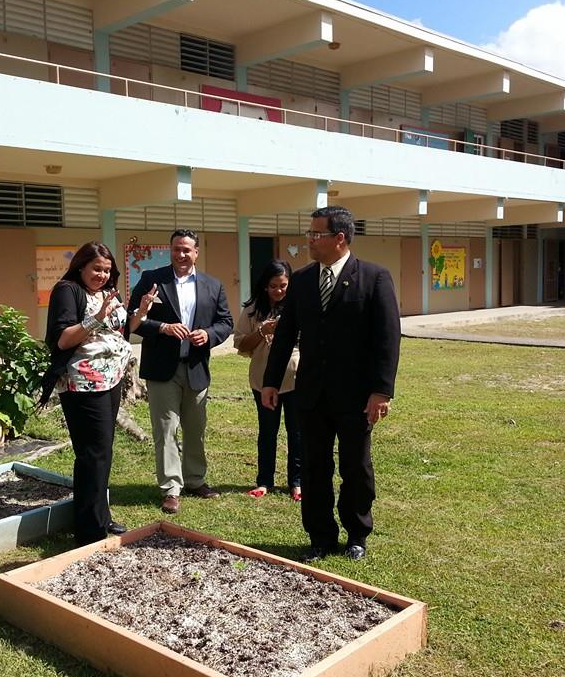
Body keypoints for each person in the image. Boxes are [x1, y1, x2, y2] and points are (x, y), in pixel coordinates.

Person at [262, 207, 400, 562]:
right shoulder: (304, 280)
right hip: (311, 393)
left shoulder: (375, 278)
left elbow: (387, 339)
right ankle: (320, 536)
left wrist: (381, 391)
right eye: (308, 233)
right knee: (314, 466)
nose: (309, 239)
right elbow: (285, 335)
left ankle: (357, 533)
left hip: (355, 395)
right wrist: (271, 382)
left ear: (339, 238)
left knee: (356, 467)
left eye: (316, 234)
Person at [127, 228, 234, 514]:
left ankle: (195, 480)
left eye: (187, 249)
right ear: (170, 251)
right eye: (176, 249)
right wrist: (162, 328)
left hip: (196, 367)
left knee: (195, 429)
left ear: (196, 252)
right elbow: (131, 319)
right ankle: (171, 488)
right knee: (165, 429)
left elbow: (226, 322)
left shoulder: (213, 285)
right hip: (163, 369)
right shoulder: (152, 280)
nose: (181, 254)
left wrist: (209, 335)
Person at [40, 241, 132, 547]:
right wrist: (97, 317)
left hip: (111, 378)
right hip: (83, 382)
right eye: (96, 269)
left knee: (103, 452)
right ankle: (89, 531)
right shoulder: (67, 290)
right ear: (81, 266)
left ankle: (100, 515)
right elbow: (63, 339)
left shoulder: (107, 293)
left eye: (107, 270)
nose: (102, 275)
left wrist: (140, 313)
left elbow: (116, 331)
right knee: (92, 454)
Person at [234, 260, 301, 501]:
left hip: (294, 379)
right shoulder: (252, 309)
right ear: (264, 286)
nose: (279, 291)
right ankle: (265, 480)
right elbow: (241, 345)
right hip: (262, 381)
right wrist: (263, 330)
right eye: (273, 286)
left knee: (297, 431)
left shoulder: (299, 306)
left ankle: (297, 482)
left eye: (283, 286)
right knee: (268, 430)